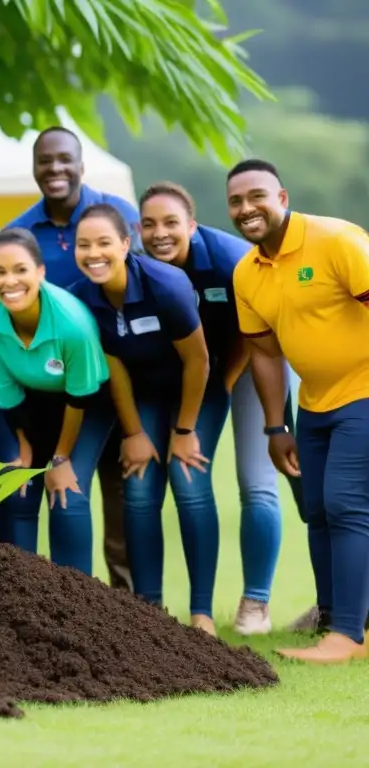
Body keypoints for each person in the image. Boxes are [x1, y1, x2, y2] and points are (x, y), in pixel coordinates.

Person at [228, 158, 369, 663]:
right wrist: (275, 425)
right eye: (236, 201)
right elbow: (265, 354)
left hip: (363, 393)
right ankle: (335, 619)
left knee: (346, 504)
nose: (246, 208)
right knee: (317, 511)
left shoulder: (335, 241)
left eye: (257, 196)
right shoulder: (246, 273)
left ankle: (348, 637)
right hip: (313, 403)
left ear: (282, 198)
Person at [139, 181, 293, 636]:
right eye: (149, 224)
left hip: (254, 361)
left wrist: (222, 387)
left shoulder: (231, 262)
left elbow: (253, 335)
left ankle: (256, 604)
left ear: (192, 225)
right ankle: (176, 610)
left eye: (171, 223)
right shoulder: (139, 266)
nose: (160, 234)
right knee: (186, 474)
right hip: (195, 371)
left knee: (256, 482)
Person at [69, 203, 218, 635]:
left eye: (103, 243)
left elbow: (199, 361)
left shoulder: (165, 285)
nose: (93, 254)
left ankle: (202, 614)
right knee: (137, 488)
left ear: (125, 244)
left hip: (195, 390)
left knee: (189, 482)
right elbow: (114, 366)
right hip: (143, 395)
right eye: (83, 245)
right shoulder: (82, 298)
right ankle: (150, 614)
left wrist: (184, 430)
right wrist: (133, 432)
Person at [6, 126, 140, 591]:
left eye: (65, 159)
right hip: (60, 392)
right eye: (45, 161)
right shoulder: (21, 232)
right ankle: (67, 601)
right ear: (34, 169)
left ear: (82, 166)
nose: (55, 169)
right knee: (68, 491)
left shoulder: (120, 215)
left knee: (124, 494)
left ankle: (127, 604)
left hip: (120, 379)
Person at [0, 229, 111, 573]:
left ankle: (77, 599)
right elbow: (5, 389)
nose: (10, 281)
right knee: (17, 489)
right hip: (28, 406)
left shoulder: (72, 324)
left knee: (67, 497)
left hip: (83, 405)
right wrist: (26, 450)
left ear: (40, 272)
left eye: (21, 270)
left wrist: (59, 457)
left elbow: (80, 397)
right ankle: (20, 593)